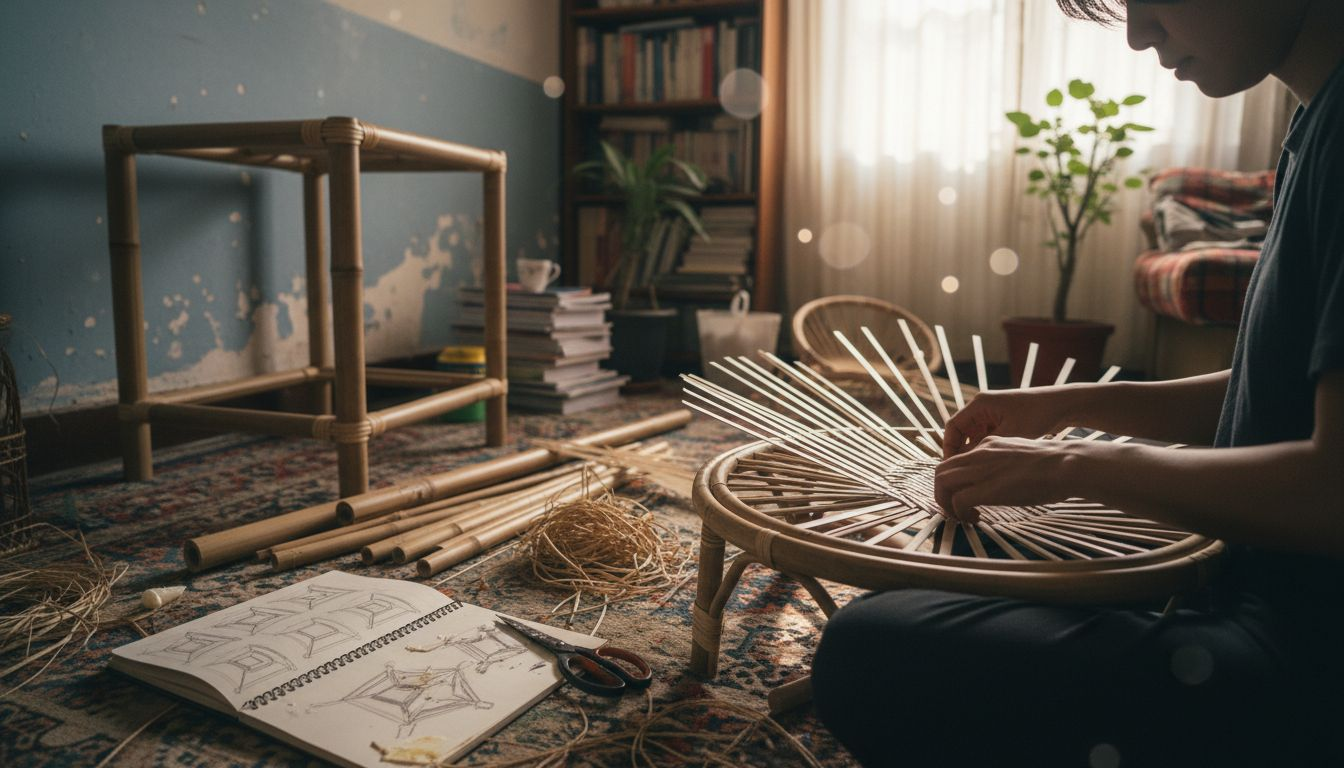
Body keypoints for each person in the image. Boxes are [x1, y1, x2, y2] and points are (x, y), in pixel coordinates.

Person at [810, 1, 1344, 765]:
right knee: (924, 587)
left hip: (1301, 664)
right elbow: (1275, 396)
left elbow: (1334, 490)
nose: (1137, 33)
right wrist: (1067, 405)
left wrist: (1072, 465)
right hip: (1249, 585)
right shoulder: (1319, 116)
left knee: (864, 649)